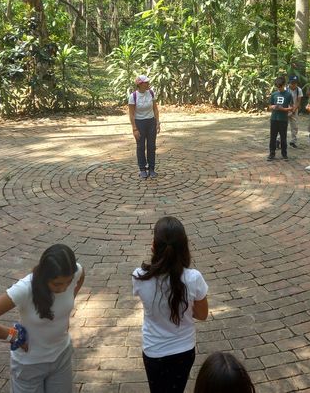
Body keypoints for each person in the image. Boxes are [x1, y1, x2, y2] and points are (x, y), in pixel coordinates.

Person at [0, 244, 85, 393]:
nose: (63, 288)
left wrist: (66, 308)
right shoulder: (25, 288)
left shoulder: (75, 272)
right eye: (57, 284)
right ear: (45, 276)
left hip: (62, 357)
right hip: (29, 364)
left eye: (68, 282)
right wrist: (12, 335)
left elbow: (81, 275)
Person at [133, 216, 209, 393]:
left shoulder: (139, 276)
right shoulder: (194, 278)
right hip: (184, 349)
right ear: (184, 247)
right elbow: (202, 315)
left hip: (153, 350)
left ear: (153, 246)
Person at [129, 75, 161, 179]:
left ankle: (151, 168)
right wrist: (134, 128)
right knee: (140, 146)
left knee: (151, 146)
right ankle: (142, 169)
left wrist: (157, 122)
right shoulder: (133, 96)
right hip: (139, 123)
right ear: (140, 84)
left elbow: (155, 109)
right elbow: (131, 114)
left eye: (148, 82)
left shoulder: (151, 93)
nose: (148, 84)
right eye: (146, 82)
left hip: (151, 122)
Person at [267, 76, 293, 161]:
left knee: (283, 137)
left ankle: (284, 154)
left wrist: (283, 109)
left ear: (284, 85)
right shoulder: (274, 94)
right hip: (274, 119)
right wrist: (273, 107)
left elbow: (292, 108)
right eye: (277, 87)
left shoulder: (288, 95)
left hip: (283, 119)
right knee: (273, 137)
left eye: (280, 86)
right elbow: (269, 106)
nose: (279, 88)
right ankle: (272, 154)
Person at [287, 76, 303, 149]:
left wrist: (293, 110)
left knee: (294, 126)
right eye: (292, 83)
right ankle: (279, 140)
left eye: (295, 83)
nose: (293, 84)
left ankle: (293, 141)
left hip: (294, 109)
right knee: (283, 125)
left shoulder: (299, 90)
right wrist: (286, 110)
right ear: (289, 83)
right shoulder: (285, 89)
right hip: (285, 109)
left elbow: (298, 102)